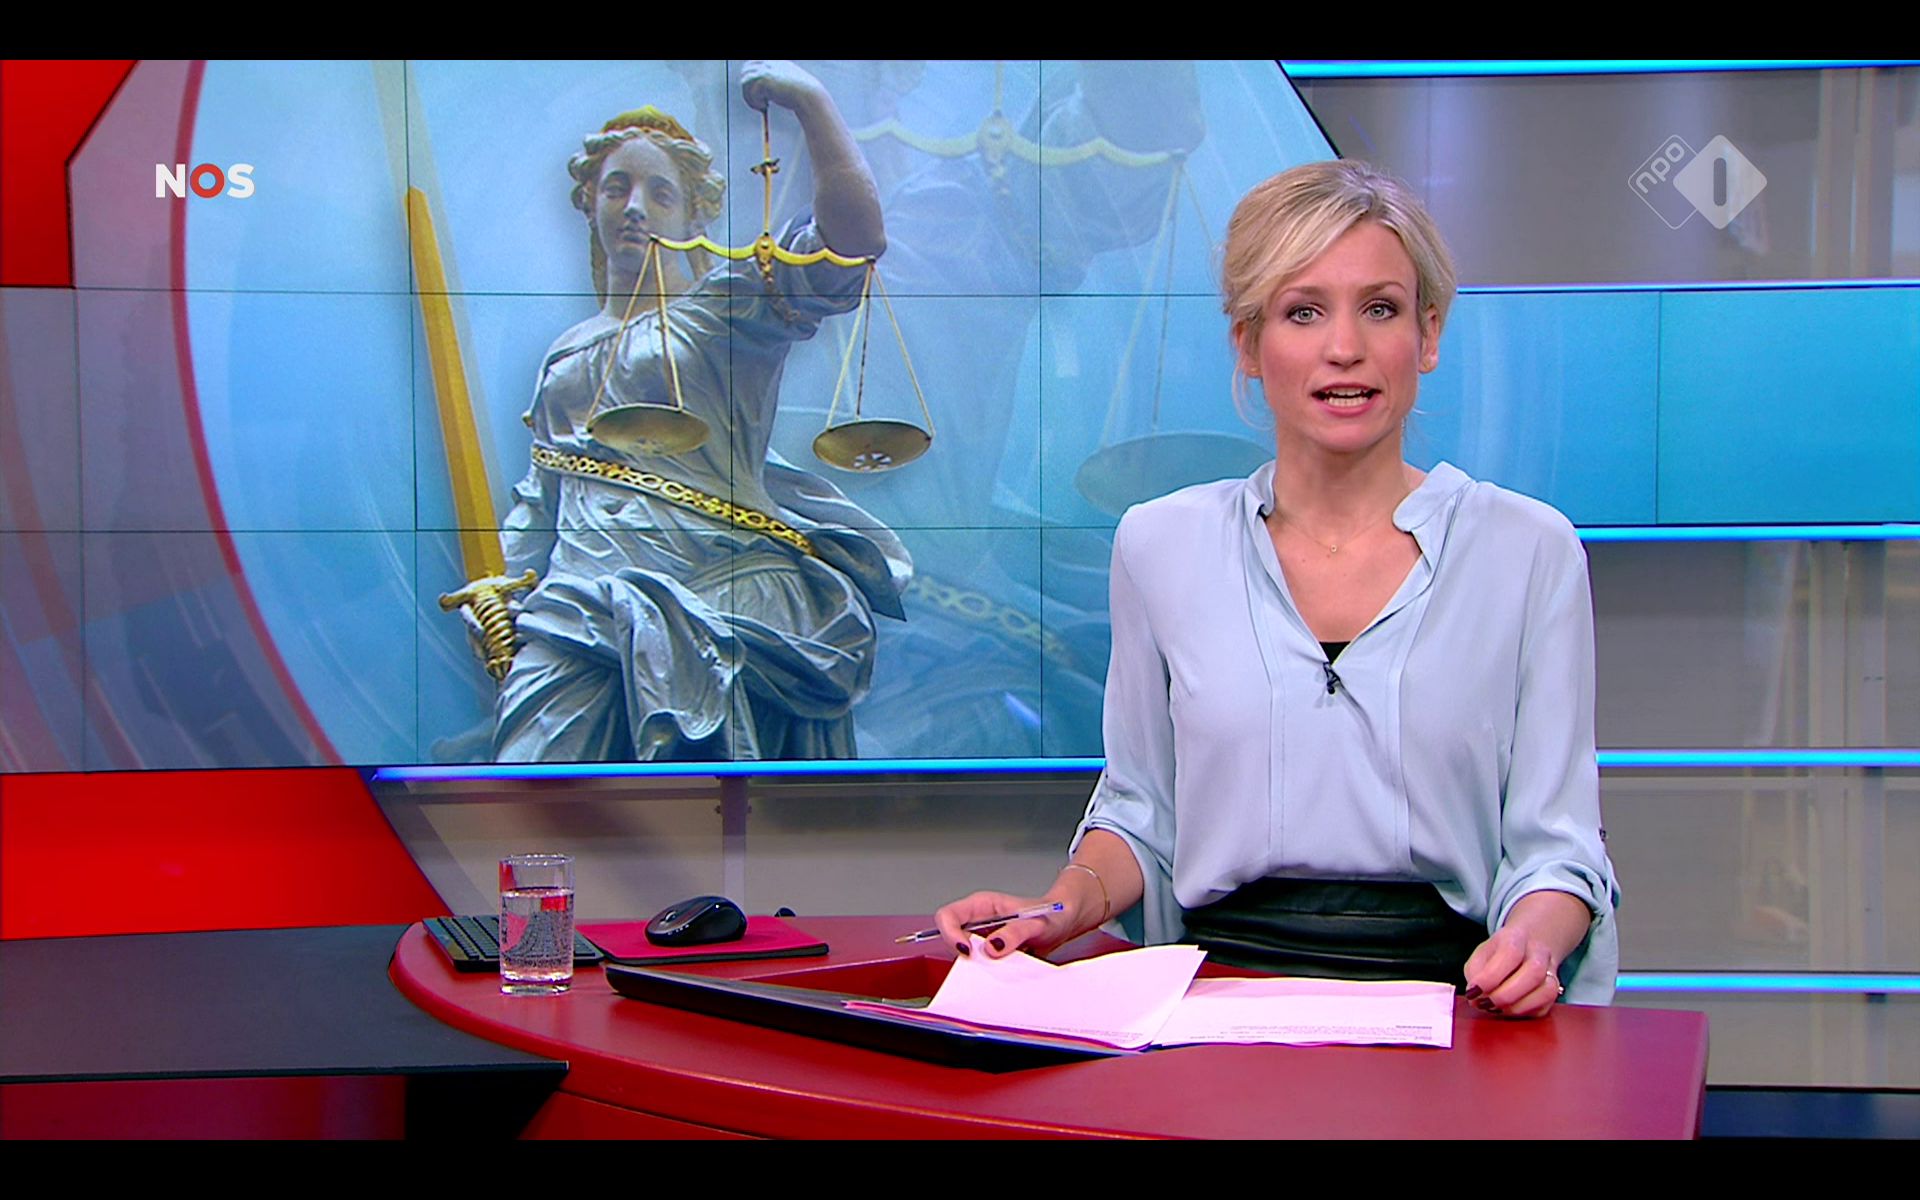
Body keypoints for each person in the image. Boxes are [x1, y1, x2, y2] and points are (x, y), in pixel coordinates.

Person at [934, 160, 1620, 1016]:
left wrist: (1533, 944)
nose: (1345, 347)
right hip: (1215, 1004)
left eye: (1381, 308)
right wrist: (1059, 910)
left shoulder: (1527, 549)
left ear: (1429, 334)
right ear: (1249, 344)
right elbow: (1140, 816)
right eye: (1304, 311)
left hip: (1451, 1002)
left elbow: (1559, 847)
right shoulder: (1160, 543)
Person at [490, 61, 910, 762]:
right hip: (577, 605)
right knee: (529, 782)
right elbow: (547, 491)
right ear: (589, 203)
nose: (634, 207)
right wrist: (505, 587)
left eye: (660, 193)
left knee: (716, 808)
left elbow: (852, 244)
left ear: (694, 216)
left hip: (717, 586)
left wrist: (811, 103)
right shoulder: (566, 353)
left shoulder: (724, 313)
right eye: (617, 188)